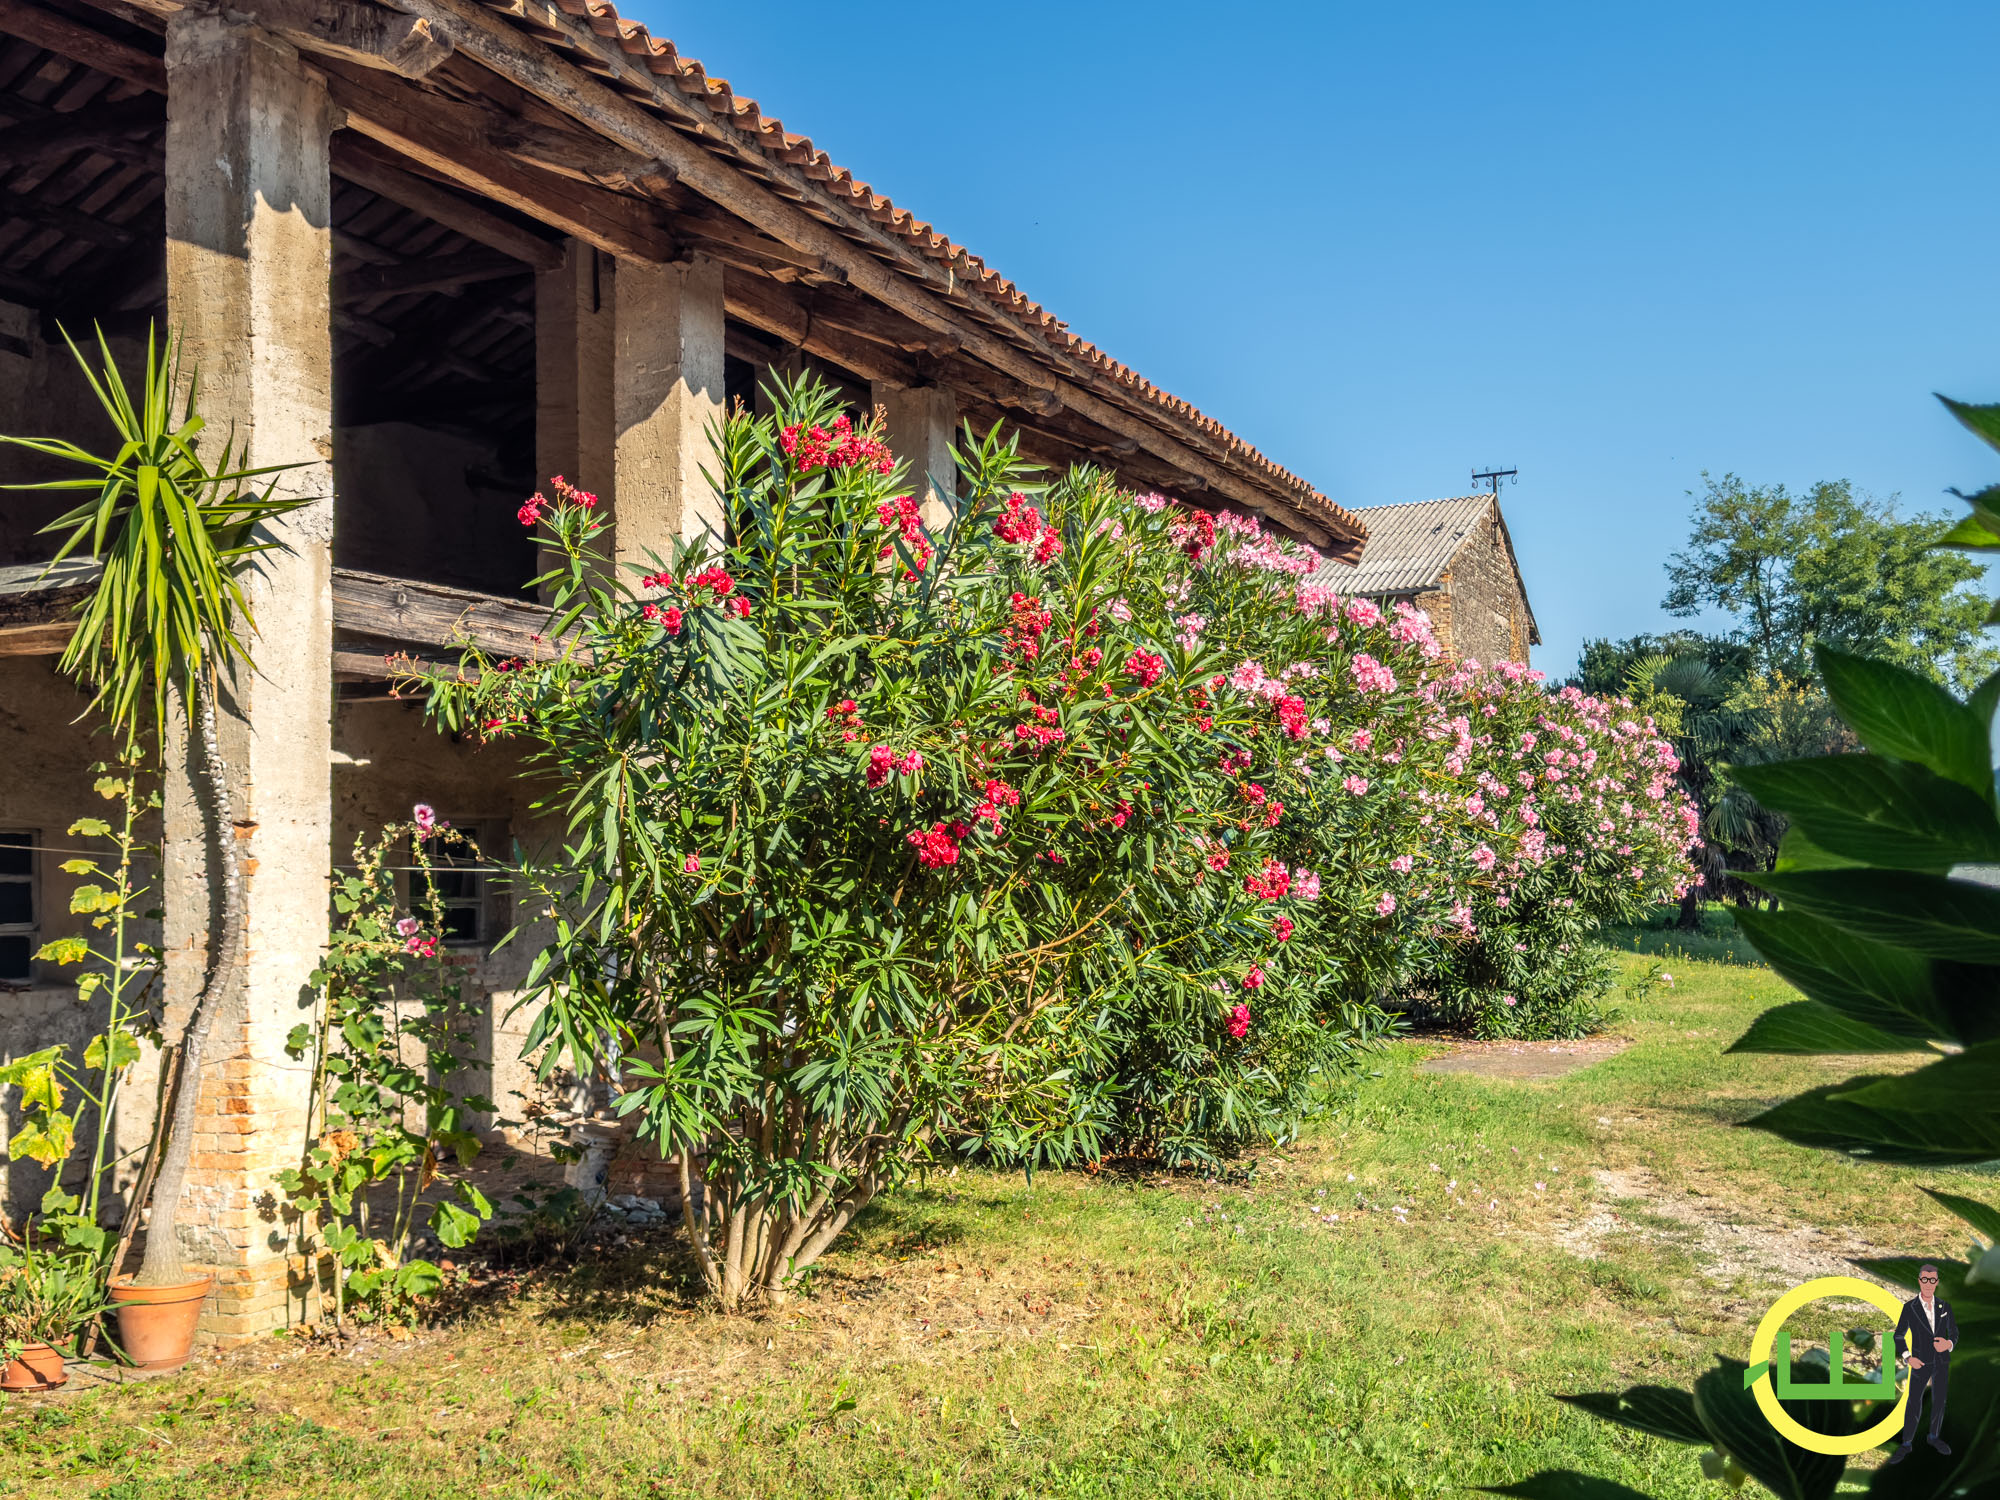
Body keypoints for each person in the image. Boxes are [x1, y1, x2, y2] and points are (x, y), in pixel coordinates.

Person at [1888, 1265, 1958, 1464]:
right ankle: (1906, 1443)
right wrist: (1908, 1357)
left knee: (1939, 1400)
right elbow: (1899, 1335)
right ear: (1919, 1281)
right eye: (1925, 1279)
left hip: (1941, 1360)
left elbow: (1954, 1332)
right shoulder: (1910, 1307)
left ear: (1937, 1282)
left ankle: (1934, 1437)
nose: (1929, 1284)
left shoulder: (1945, 1307)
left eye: (1933, 1280)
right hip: (1920, 1361)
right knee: (1914, 1401)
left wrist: (1949, 1344)